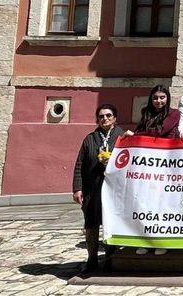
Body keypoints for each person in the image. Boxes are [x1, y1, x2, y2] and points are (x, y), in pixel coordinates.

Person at [73, 104, 125, 273]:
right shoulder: (89, 139)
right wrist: (77, 188)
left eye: (108, 115)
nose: (105, 119)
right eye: (101, 116)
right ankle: (92, 258)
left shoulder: (122, 137)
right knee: (91, 224)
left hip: (114, 190)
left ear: (115, 118)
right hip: (92, 189)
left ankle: (111, 258)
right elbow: (79, 164)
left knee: (112, 223)